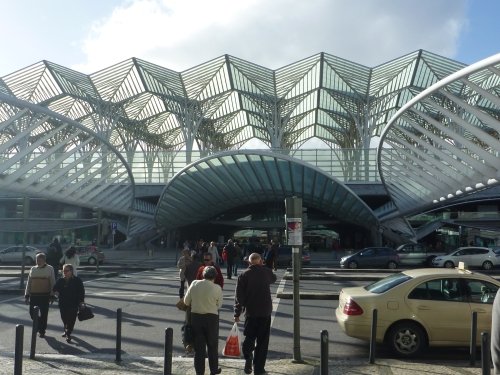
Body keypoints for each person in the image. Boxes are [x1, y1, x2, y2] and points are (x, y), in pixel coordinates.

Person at [234, 253, 277, 375]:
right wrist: (264, 267)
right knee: (262, 341)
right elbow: (274, 278)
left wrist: (237, 313)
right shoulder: (266, 272)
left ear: (249, 262)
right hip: (265, 311)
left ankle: (248, 357)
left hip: (251, 312)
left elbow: (239, 297)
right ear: (260, 261)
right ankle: (259, 369)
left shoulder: (244, 275)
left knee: (249, 337)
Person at [184, 266, 223, 375]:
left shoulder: (195, 283)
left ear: (203, 275)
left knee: (199, 348)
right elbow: (219, 305)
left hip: (196, 317)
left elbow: (186, 302)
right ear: (215, 276)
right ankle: (214, 370)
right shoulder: (217, 288)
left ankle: (200, 372)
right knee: (212, 346)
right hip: (212, 318)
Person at [24, 252, 56, 338]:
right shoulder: (33, 269)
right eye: (37, 259)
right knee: (32, 313)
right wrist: (27, 295)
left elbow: (53, 282)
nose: (38, 261)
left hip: (45, 296)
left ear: (44, 260)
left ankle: (42, 331)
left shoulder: (50, 268)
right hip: (34, 296)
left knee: (44, 314)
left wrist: (52, 295)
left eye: (40, 260)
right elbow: (29, 282)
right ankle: (39, 325)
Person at [52, 264, 85, 342]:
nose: (65, 272)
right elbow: (55, 289)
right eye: (63, 271)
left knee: (72, 319)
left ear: (71, 271)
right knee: (64, 318)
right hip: (63, 303)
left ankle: (68, 333)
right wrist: (55, 293)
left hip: (74, 303)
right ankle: (66, 329)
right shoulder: (61, 280)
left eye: (67, 271)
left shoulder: (77, 280)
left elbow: (81, 292)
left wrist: (81, 302)